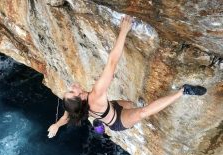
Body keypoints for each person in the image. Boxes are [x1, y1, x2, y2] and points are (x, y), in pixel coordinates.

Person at [47, 15, 207, 138]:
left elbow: (67, 116)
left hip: (110, 107)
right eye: (72, 91)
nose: (72, 87)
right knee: (142, 112)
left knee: (130, 104)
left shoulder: (76, 108)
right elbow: (112, 63)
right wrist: (124, 30)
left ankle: (98, 120)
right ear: (81, 98)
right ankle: (183, 91)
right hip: (117, 121)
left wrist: (56, 125)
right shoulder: (95, 95)